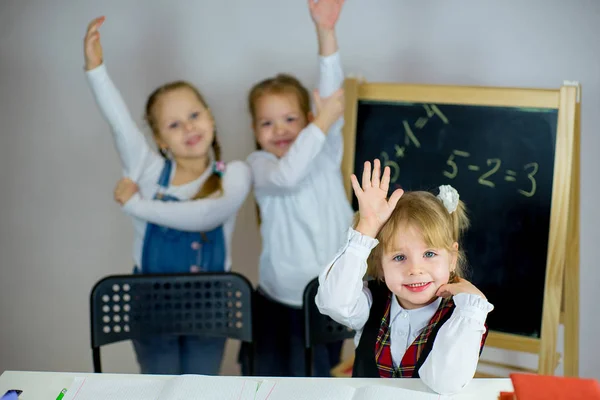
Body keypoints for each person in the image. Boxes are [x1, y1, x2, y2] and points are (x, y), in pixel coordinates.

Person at [83, 16, 251, 375]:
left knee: (201, 389)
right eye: (174, 124)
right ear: (159, 140)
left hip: (210, 306)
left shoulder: (233, 175)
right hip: (151, 305)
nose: (188, 127)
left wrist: (136, 206)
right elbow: (119, 123)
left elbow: (205, 216)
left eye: (194, 115)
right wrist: (96, 69)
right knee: (158, 389)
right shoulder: (146, 172)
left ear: (210, 118)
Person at [316, 159, 494, 394]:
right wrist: (366, 228)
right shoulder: (371, 302)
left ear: (452, 259)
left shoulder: (463, 318)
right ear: (380, 265)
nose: (415, 269)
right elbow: (334, 302)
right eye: (399, 257)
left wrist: (473, 308)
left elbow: (444, 382)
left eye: (429, 253)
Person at [243, 0, 352, 376]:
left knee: (327, 383)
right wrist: (318, 123)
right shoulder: (259, 167)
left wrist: (326, 33)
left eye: (290, 119)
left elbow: (332, 95)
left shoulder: (324, 149)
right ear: (255, 132)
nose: (280, 130)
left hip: (329, 300)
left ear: (307, 118)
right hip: (281, 303)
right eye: (267, 123)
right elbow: (289, 175)